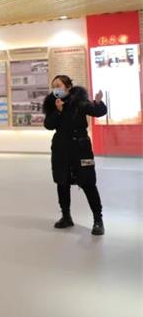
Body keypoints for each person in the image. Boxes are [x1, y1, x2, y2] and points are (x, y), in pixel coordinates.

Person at [43, 75, 107, 236]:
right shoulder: (53, 103)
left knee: (88, 183)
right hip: (61, 150)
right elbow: (48, 125)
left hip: (81, 149)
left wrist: (98, 102)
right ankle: (66, 217)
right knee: (62, 182)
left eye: (58, 85)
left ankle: (98, 220)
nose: (55, 89)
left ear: (68, 87)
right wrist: (58, 112)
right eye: (53, 86)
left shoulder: (79, 102)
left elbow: (97, 111)